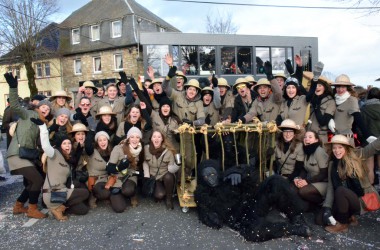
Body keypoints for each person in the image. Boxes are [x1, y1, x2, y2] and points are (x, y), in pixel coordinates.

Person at [4, 72, 50, 219]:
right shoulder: (27, 114)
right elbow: (15, 105)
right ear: (37, 107)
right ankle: (32, 209)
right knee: (37, 180)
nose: (45, 109)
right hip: (17, 153)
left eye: (48, 108)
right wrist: (13, 87)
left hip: (27, 155)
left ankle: (18, 205)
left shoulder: (44, 124)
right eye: (43, 106)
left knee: (31, 183)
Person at [34, 119, 89, 221]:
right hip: (52, 193)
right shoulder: (54, 154)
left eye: (69, 143)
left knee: (83, 210)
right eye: (64, 143)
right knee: (85, 193)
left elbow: (75, 160)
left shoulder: (68, 160)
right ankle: (55, 208)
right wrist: (43, 128)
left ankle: (61, 207)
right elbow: (45, 145)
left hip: (62, 192)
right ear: (60, 146)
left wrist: (80, 147)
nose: (67, 145)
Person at [322, 134, 380, 233]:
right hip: (345, 198)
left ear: (347, 148)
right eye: (334, 148)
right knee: (320, 220)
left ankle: (343, 224)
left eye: (340, 147)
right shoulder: (333, 164)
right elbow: (331, 188)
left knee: (341, 191)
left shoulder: (357, 155)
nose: (337, 151)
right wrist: (327, 209)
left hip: (362, 198)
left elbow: (373, 146)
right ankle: (350, 217)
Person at [107, 127, 144, 212]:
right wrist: (120, 167)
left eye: (137, 137)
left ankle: (132, 194)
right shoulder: (118, 148)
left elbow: (141, 163)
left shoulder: (140, 149)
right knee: (119, 208)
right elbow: (109, 168)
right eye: (132, 137)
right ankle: (117, 194)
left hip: (130, 176)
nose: (135, 140)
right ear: (128, 138)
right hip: (117, 178)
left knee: (128, 191)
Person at [329, 74, 373, 145]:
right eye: (338, 86)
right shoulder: (333, 99)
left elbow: (358, 117)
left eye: (343, 87)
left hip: (346, 135)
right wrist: (329, 119)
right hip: (333, 135)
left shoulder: (352, 100)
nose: (340, 89)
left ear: (347, 88)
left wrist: (367, 135)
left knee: (348, 155)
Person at [143, 131, 179, 209]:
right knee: (159, 195)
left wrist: (178, 165)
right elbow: (145, 162)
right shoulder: (146, 149)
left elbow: (171, 169)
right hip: (155, 176)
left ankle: (169, 199)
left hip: (165, 174)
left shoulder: (168, 151)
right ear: (151, 139)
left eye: (159, 137)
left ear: (162, 139)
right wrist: (147, 175)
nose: (156, 139)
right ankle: (161, 189)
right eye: (154, 136)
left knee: (169, 177)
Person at [295, 130, 328, 215]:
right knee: (296, 187)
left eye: (310, 137)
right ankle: (313, 204)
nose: (307, 139)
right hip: (313, 181)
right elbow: (304, 169)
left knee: (303, 191)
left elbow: (324, 173)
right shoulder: (306, 151)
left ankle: (323, 203)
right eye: (305, 137)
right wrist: (299, 178)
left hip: (324, 182)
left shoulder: (319, 151)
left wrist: (306, 182)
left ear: (316, 140)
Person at [86, 131, 113, 209]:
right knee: (104, 193)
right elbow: (87, 145)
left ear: (108, 140)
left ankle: (102, 196)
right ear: (97, 142)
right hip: (95, 179)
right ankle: (93, 195)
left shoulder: (112, 151)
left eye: (104, 139)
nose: (102, 142)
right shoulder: (92, 151)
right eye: (100, 140)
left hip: (106, 177)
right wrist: (91, 133)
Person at [360, 87, 380, 184]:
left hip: (367, 140)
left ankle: (371, 193)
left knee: (369, 168)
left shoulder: (363, 109)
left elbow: (359, 127)